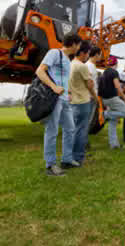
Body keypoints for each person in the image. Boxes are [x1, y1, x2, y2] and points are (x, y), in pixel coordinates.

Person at [35, 33, 82, 176]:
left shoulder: (68, 60)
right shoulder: (54, 53)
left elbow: (63, 79)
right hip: (54, 98)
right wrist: (54, 87)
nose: (79, 48)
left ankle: (66, 160)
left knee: (70, 128)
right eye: (79, 45)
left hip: (64, 99)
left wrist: (68, 93)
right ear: (74, 44)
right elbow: (40, 71)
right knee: (52, 130)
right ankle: (50, 165)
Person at [68, 41, 98, 167]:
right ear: (84, 53)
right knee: (81, 130)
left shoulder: (70, 64)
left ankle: (70, 156)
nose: (87, 56)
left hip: (73, 101)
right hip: (83, 102)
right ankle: (79, 157)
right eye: (87, 54)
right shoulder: (82, 66)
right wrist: (96, 98)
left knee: (74, 130)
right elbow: (90, 85)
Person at [98, 56, 125, 149]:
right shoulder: (114, 72)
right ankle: (105, 114)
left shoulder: (104, 73)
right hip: (112, 98)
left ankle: (114, 144)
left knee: (113, 122)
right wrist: (124, 98)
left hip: (105, 100)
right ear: (116, 64)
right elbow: (118, 87)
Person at [85, 46, 102, 148]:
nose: (100, 57)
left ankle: (84, 142)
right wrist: (95, 97)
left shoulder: (90, 65)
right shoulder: (90, 66)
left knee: (86, 121)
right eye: (100, 54)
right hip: (90, 98)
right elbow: (89, 84)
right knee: (87, 121)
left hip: (89, 97)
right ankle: (84, 143)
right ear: (96, 54)